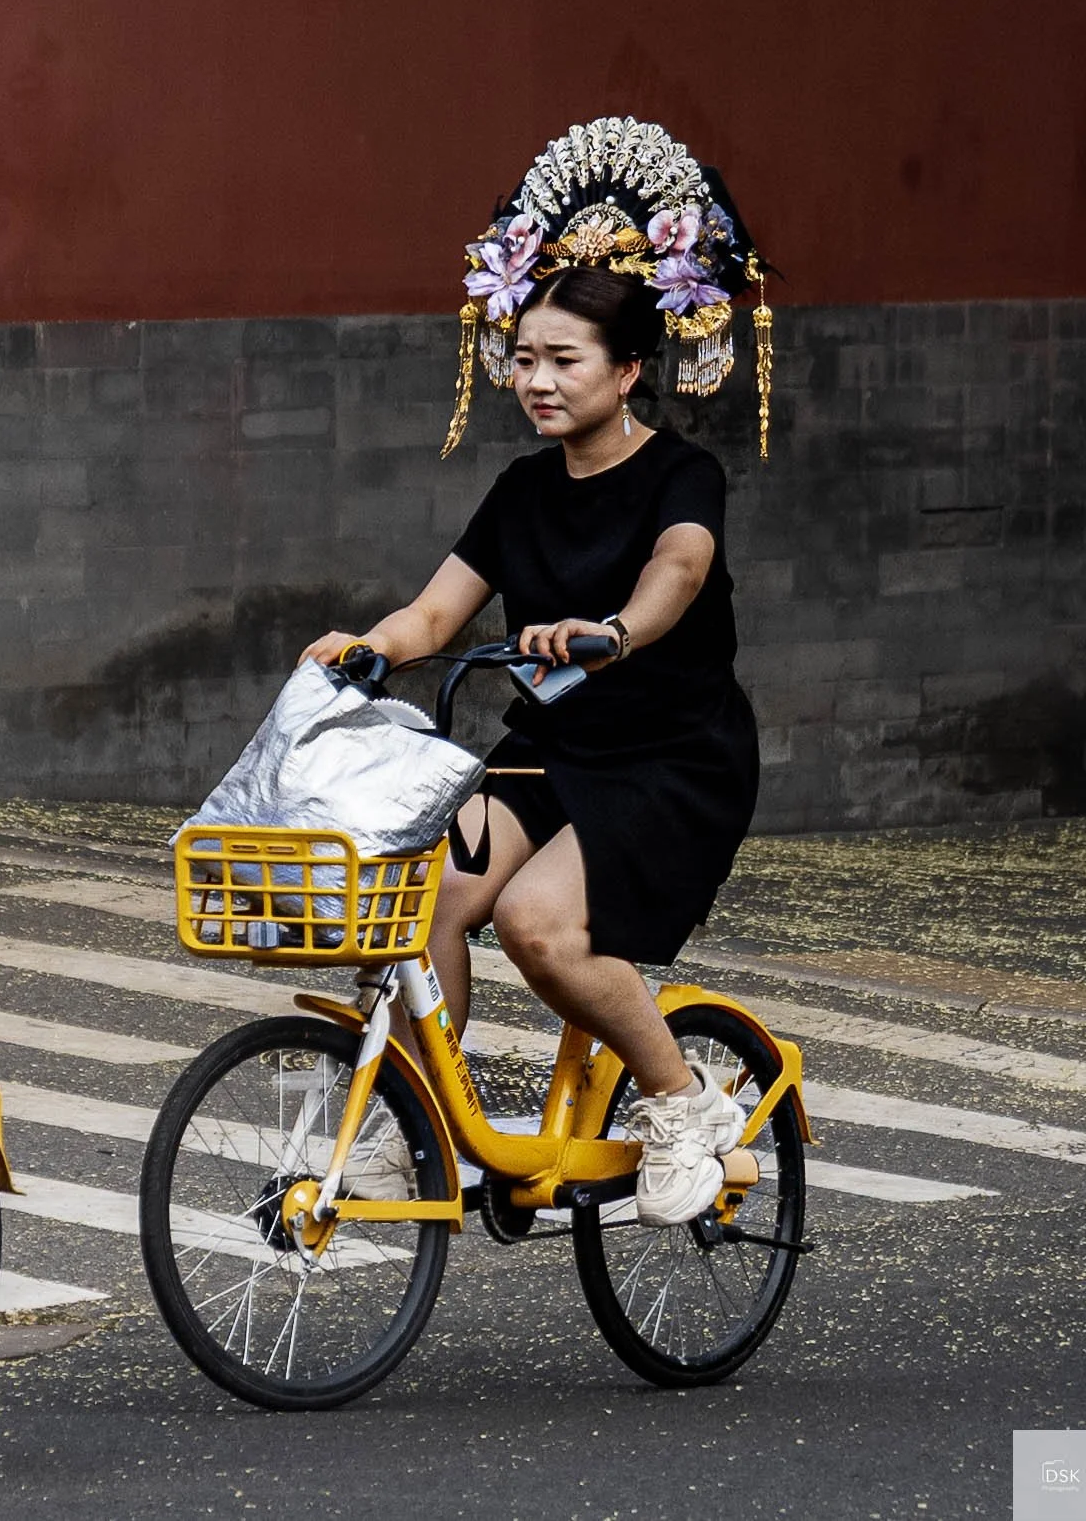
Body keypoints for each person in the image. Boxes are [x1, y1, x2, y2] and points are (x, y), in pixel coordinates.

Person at [302, 118, 770, 1226]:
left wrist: (617, 630)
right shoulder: (521, 488)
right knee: (422, 905)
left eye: (565, 361)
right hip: (555, 747)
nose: (538, 381)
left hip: (672, 757)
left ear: (630, 370)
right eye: (524, 359)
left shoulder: (682, 474)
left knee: (538, 925)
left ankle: (681, 1100)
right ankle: (417, 1125)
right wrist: (367, 648)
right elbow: (435, 611)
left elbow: (679, 568)